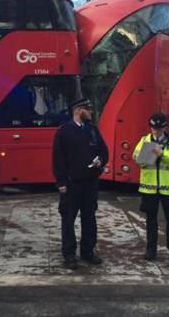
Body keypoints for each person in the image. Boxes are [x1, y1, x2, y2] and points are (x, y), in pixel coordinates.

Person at [52, 98, 109, 270]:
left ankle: (88, 252)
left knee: (89, 219)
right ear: (78, 110)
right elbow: (58, 159)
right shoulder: (64, 131)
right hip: (71, 185)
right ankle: (69, 255)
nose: (90, 113)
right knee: (68, 220)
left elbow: (104, 151)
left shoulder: (92, 130)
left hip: (90, 183)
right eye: (88, 110)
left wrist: (101, 161)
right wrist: (61, 182)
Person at [133, 113, 169, 261]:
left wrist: (162, 153)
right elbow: (136, 158)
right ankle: (151, 250)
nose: (155, 131)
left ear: (164, 128)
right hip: (149, 188)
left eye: (159, 129)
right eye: (153, 128)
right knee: (150, 221)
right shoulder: (145, 140)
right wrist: (147, 155)